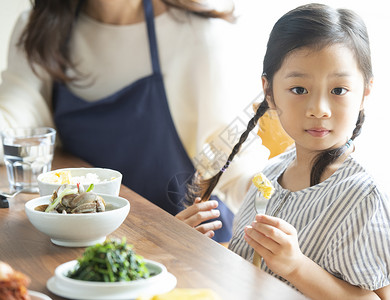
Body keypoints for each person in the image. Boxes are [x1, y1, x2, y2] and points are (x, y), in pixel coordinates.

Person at [178, 3, 390, 299]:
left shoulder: (369, 198)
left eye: (338, 90)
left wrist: (297, 266)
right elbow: (248, 275)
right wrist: (194, 249)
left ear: (365, 91)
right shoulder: (271, 175)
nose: (319, 109)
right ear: (269, 93)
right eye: (299, 90)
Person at [0, 0, 269, 242]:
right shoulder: (42, 26)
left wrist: (277, 197)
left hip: (183, 242)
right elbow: (15, 117)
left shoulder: (198, 35)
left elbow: (235, 162)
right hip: (81, 237)